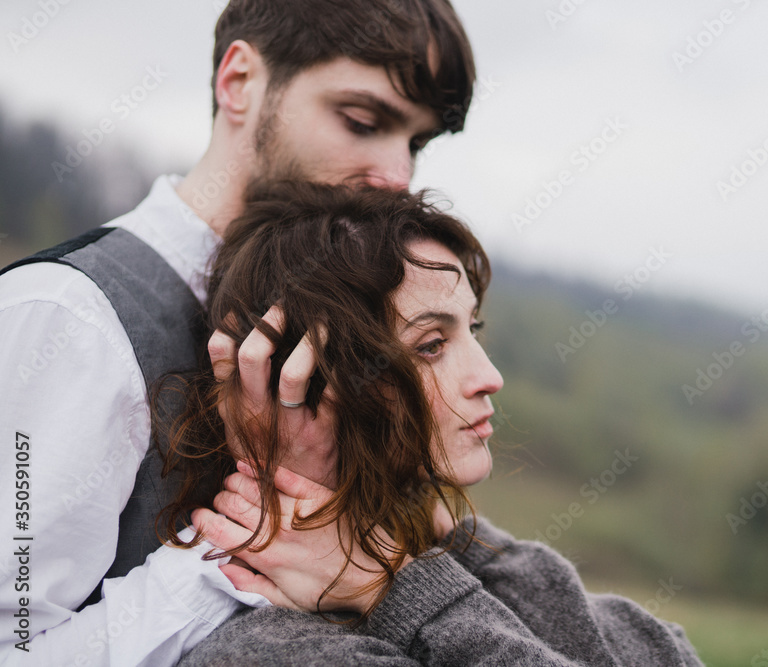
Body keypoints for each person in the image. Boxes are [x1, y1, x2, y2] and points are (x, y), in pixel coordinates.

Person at [0, 1, 475, 663]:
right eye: (363, 121)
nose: (397, 176)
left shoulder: (338, 318)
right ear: (240, 82)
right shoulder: (70, 317)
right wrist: (246, 544)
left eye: (417, 143)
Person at [160, 180, 703, 665]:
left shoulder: (470, 562)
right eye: (432, 344)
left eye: (473, 329)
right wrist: (395, 584)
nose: (490, 376)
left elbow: (665, 652)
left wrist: (392, 573)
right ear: (300, 385)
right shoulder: (270, 653)